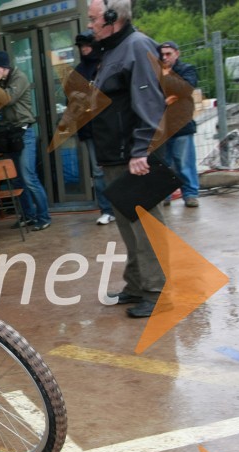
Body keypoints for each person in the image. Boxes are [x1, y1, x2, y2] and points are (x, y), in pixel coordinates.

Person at [88, 0, 167, 318]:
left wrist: (141, 151)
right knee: (128, 226)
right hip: (114, 155)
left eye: (93, 18)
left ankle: (156, 289)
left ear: (112, 17)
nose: (90, 25)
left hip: (132, 155)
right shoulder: (113, 50)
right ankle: (137, 284)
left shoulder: (136, 45)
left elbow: (149, 101)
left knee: (146, 226)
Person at [0, 51, 52, 231]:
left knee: (29, 177)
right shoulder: (0, 81)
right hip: (10, 134)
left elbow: (7, 99)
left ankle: (44, 217)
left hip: (24, 132)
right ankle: (28, 216)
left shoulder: (20, 77)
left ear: (4, 67)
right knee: (16, 180)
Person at [72, 31, 114, 225]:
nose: (84, 49)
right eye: (82, 47)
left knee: (115, 168)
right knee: (98, 171)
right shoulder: (79, 71)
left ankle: (123, 207)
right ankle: (106, 209)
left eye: (87, 45)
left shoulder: (106, 64)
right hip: (89, 128)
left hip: (109, 126)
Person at [159, 40, 200, 208]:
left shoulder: (187, 69)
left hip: (182, 125)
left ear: (177, 53)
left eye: (168, 54)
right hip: (162, 126)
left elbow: (186, 89)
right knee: (164, 165)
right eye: (162, 55)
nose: (165, 57)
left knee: (185, 163)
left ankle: (190, 194)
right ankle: (164, 195)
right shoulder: (156, 72)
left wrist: (167, 77)